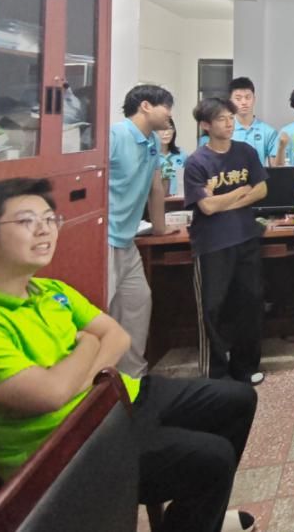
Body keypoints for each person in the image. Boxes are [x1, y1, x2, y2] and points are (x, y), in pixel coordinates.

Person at [0, 178, 258, 532]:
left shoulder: (49, 290)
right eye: (26, 221)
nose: (44, 230)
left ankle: (198, 519)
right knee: (212, 458)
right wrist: (87, 345)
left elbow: (117, 336)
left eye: (50, 219)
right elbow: (52, 395)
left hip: (116, 402)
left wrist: (74, 373)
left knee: (237, 399)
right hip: (68, 450)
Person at [184, 98, 269, 385]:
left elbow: (261, 190)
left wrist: (223, 200)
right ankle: (216, 374)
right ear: (206, 125)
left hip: (246, 237)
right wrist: (239, 192)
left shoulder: (245, 152)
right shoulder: (197, 161)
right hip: (212, 244)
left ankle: (246, 367)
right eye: (221, 119)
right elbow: (206, 208)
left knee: (250, 302)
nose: (229, 123)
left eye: (230, 118)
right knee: (213, 307)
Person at [108, 84, 175, 377]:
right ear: (146, 106)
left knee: (138, 302)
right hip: (104, 239)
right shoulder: (115, 135)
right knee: (101, 310)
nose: (169, 115)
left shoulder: (152, 142)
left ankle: (134, 378)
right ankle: (98, 383)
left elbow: (155, 187)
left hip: (127, 240)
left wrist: (160, 229)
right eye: (166, 107)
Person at [200, 77, 280, 167]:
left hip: (257, 175)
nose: (244, 102)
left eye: (248, 97)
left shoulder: (268, 132)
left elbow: (275, 168)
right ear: (230, 101)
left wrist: (282, 146)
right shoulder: (222, 129)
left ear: (254, 99)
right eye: (238, 98)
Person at [158, 116, 187, 197]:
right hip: (156, 200)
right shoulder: (150, 155)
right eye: (162, 129)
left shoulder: (182, 154)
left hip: (178, 199)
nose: (166, 133)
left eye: (169, 128)